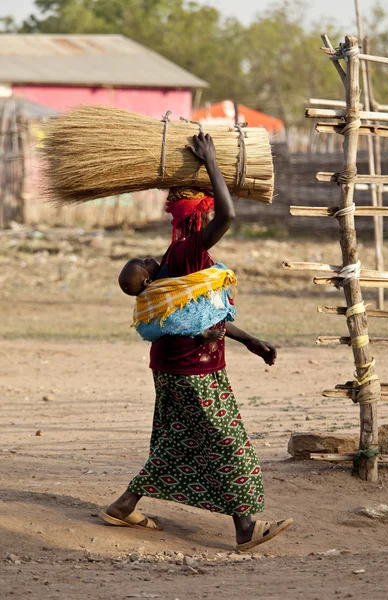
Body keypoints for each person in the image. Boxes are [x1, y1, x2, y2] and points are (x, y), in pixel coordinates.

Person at [100, 132, 292, 552]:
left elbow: (206, 318)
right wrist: (209, 162)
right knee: (228, 444)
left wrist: (250, 340)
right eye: (202, 217)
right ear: (195, 219)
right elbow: (229, 215)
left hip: (176, 367)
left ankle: (124, 505)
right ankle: (245, 528)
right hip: (193, 373)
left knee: (179, 440)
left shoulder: (174, 260)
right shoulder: (186, 252)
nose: (208, 224)